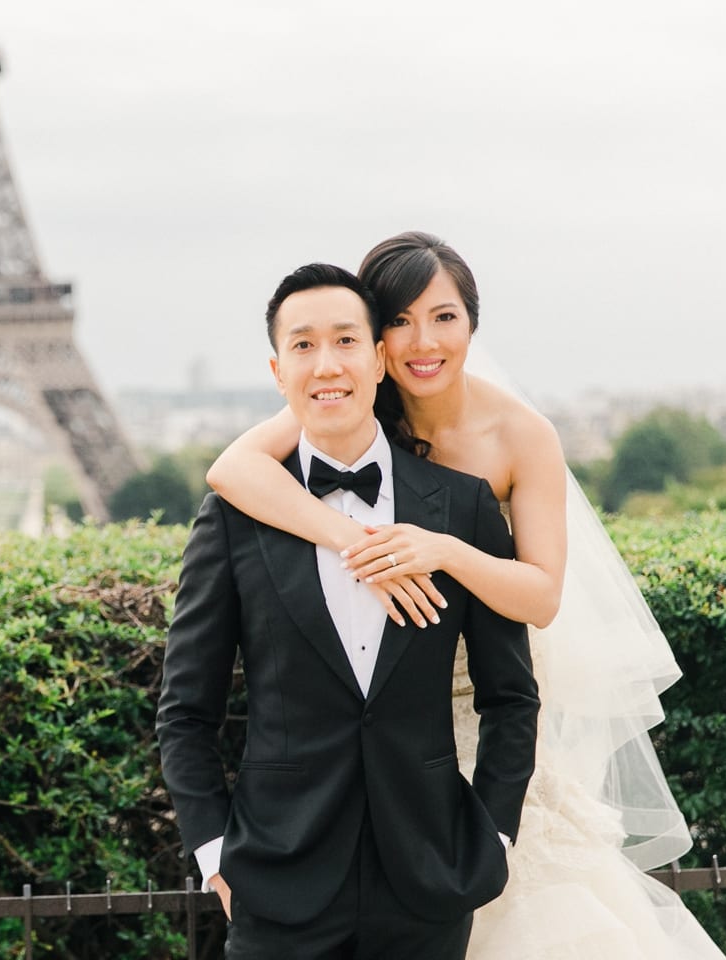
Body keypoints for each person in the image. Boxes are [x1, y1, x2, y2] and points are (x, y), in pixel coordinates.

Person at [207, 231, 726, 958]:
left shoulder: (521, 436)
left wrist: (445, 549)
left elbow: (541, 595)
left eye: (444, 317)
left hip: (481, 724)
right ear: (376, 338)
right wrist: (355, 542)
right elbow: (233, 470)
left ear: (473, 324)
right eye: (399, 320)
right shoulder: (354, 398)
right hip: (369, 754)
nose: (423, 341)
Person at [156, 262, 540, 959]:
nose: (325, 363)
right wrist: (215, 853)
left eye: (345, 341)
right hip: (276, 883)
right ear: (278, 372)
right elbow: (186, 711)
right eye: (303, 345)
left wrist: (494, 835)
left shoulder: (461, 509)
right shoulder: (233, 518)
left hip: (429, 878)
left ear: (380, 360)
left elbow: (510, 696)